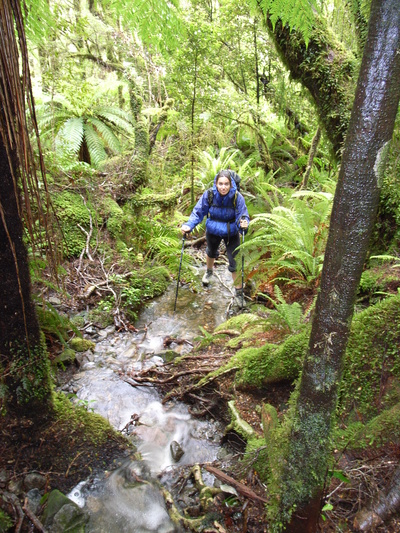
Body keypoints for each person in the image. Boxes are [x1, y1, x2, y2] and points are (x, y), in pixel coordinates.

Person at [181, 169, 250, 306]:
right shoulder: (209, 195)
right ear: (216, 184)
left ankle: (239, 293)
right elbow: (198, 212)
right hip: (212, 229)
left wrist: (244, 223)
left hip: (231, 231)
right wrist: (189, 225)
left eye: (226, 184)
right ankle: (209, 272)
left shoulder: (237, 197)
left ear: (231, 185)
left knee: (235, 261)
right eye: (220, 184)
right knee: (211, 252)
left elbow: (242, 214)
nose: (223, 187)